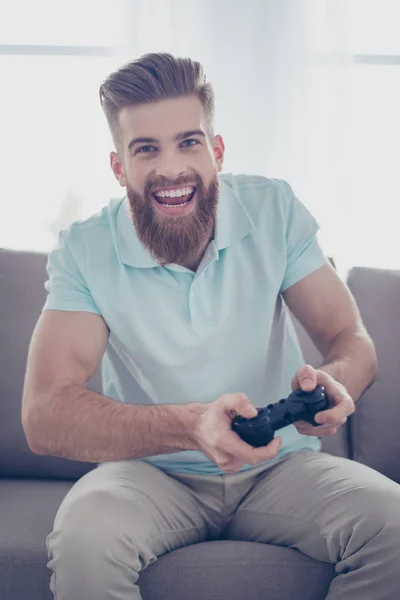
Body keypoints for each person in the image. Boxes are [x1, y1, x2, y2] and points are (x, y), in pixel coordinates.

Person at [21, 52, 400, 600]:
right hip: (150, 476)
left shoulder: (274, 210)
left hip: (280, 464)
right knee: (86, 536)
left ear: (216, 151)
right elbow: (44, 414)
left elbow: (349, 337)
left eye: (189, 142)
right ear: (119, 167)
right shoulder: (84, 249)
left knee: (392, 522)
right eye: (145, 149)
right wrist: (192, 425)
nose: (171, 168)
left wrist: (338, 378)